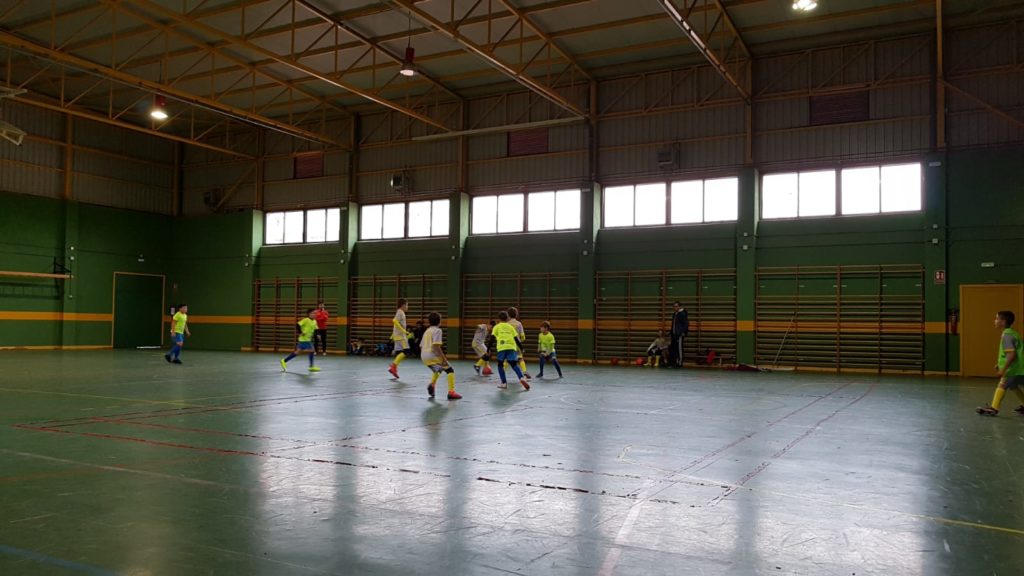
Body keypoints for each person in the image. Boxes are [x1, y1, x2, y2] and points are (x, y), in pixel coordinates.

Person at [977, 310, 1024, 416]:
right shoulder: (1012, 333)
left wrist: (1003, 369)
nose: (995, 321)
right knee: (1012, 385)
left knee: (1002, 384)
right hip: (1018, 367)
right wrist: (1000, 364)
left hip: (1014, 368)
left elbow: (1012, 355)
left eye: (997, 318)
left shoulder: (1006, 335)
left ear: (1003, 322)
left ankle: (994, 408)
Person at [421, 312, 461, 400]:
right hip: (432, 354)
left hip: (423, 355)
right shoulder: (438, 330)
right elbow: (436, 347)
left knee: (439, 369)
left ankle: (432, 384)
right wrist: (444, 358)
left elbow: (421, 345)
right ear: (439, 321)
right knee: (450, 370)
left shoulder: (427, 331)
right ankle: (451, 392)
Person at [493, 310, 529, 391]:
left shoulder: (502, 325)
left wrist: (488, 349)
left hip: (503, 345)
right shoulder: (518, 324)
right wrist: (522, 345)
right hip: (514, 345)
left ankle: (503, 381)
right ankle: (523, 374)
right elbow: (521, 336)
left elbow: (494, 337)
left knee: (502, 362)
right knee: (518, 360)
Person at [280, 308, 320, 373]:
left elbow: (316, 329)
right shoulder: (306, 320)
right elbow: (298, 324)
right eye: (313, 313)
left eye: (315, 313)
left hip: (305, 340)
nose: (315, 314)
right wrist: (300, 332)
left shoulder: (315, 321)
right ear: (309, 314)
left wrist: (318, 335)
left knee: (297, 352)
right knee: (312, 350)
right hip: (304, 340)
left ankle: (284, 361)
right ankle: (311, 366)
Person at [388, 298, 413, 379]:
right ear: (403, 305)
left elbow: (395, 324)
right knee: (406, 351)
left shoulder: (399, 312)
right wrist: (404, 331)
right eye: (407, 305)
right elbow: (394, 321)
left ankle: (394, 368)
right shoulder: (400, 312)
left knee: (399, 353)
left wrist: (392, 335)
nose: (407, 307)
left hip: (397, 335)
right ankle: (393, 366)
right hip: (401, 336)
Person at [507, 307, 531, 379]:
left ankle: (503, 373)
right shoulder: (519, 323)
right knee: (520, 358)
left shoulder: (507, 324)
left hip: (508, 344)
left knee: (506, 359)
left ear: (508, 315)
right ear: (516, 315)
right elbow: (522, 335)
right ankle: (524, 371)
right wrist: (522, 339)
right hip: (517, 344)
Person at [669, 301, 689, 368]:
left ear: (679, 306)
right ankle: (675, 362)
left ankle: (680, 363)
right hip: (674, 334)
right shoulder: (675, 314)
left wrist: (683, 332)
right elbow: (673, 324)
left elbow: (686, 324)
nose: (675, 307)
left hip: (679, 334)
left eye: (676, 306)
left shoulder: (682, 314)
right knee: (674, 349)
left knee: (679, 349)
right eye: (674, 306)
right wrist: (671, 332)